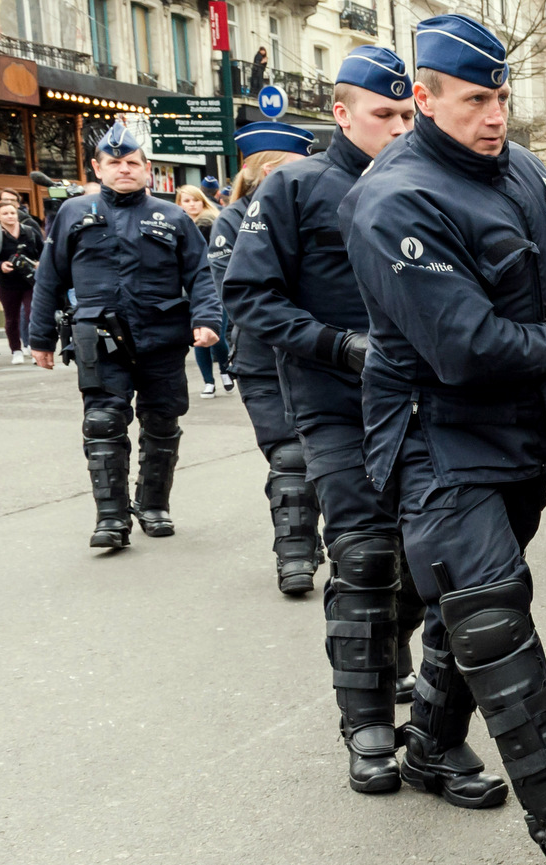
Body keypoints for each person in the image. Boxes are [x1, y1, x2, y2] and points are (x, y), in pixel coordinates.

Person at [342, 14, 546, 865]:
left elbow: (534, 287)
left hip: (520, 435)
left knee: (467, 615)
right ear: (422, 97)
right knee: (495, 614)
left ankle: (428, 746)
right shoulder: (394, 199)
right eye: (474, 101)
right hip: (437, 436)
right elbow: (467, 348)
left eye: (501, 98)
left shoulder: (524, 170)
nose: (495, 116)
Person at [223, 46, 429, 796]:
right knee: (366, 558)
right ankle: (368, 720)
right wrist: (338, 346)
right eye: (386, 115)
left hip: (426, 406)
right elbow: (248, 297)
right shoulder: (294, 189)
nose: (401, 128)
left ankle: (396, 667)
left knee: (429, 564)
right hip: (337, 404)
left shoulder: (434, 186)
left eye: (411, 114)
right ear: (342, 114)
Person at [27, 122, 220, 546]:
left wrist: (208, 319)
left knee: (162, 422)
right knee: (102, 422)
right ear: (98, 168)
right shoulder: (73, 213)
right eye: (115, 163)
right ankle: (111, 518)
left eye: (132, 162)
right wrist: (39, 338)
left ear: (147, 169)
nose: (124, 169)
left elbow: (200, 275)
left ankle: (153, 505)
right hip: (99, 338)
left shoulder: (172, 216)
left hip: (162, 337)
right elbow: (49, 278)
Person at [208, 121, 320, 596]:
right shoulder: (232, 223)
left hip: (321, 354)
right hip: (263, 358)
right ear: (264, 172)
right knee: (290, 456)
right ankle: (295, 554)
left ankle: (343, 547)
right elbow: (238, 296)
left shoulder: (321, 208)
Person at [178, 185, 231, 398]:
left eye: (195, 200)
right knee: (198, 337)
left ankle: (225, 370)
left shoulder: (212, 223)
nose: (191, 204)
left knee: (216, 334)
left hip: (216, 286)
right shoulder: (175, 224)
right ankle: (208, 381)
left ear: (203, 201)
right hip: (189, 290)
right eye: (186, 201)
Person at [0, 199, 42, 365]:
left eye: (13, 213)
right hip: (7, 283)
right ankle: (16, 350)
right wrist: (1, 265)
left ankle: (33, 347)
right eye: (5, 213)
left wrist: (38, 263)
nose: (10, 216)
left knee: (32, 314)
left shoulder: (29, 232)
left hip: (29, 281)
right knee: (11, 318)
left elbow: (43, 252)